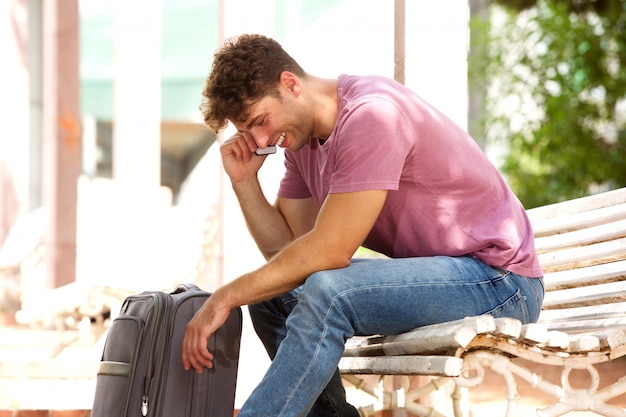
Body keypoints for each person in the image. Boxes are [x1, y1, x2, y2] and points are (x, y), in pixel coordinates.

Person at [182, 34, 544, 417]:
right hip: (452, 278)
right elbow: (286, 257)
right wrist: (244, 182)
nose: (259, 141)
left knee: (329, 291)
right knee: (273, 297)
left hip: (501, 282)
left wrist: (223, 296)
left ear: (290, 84)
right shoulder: (302, 146)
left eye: (259, 121)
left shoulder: (372, 115)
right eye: (247, 131)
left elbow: (329, 252)